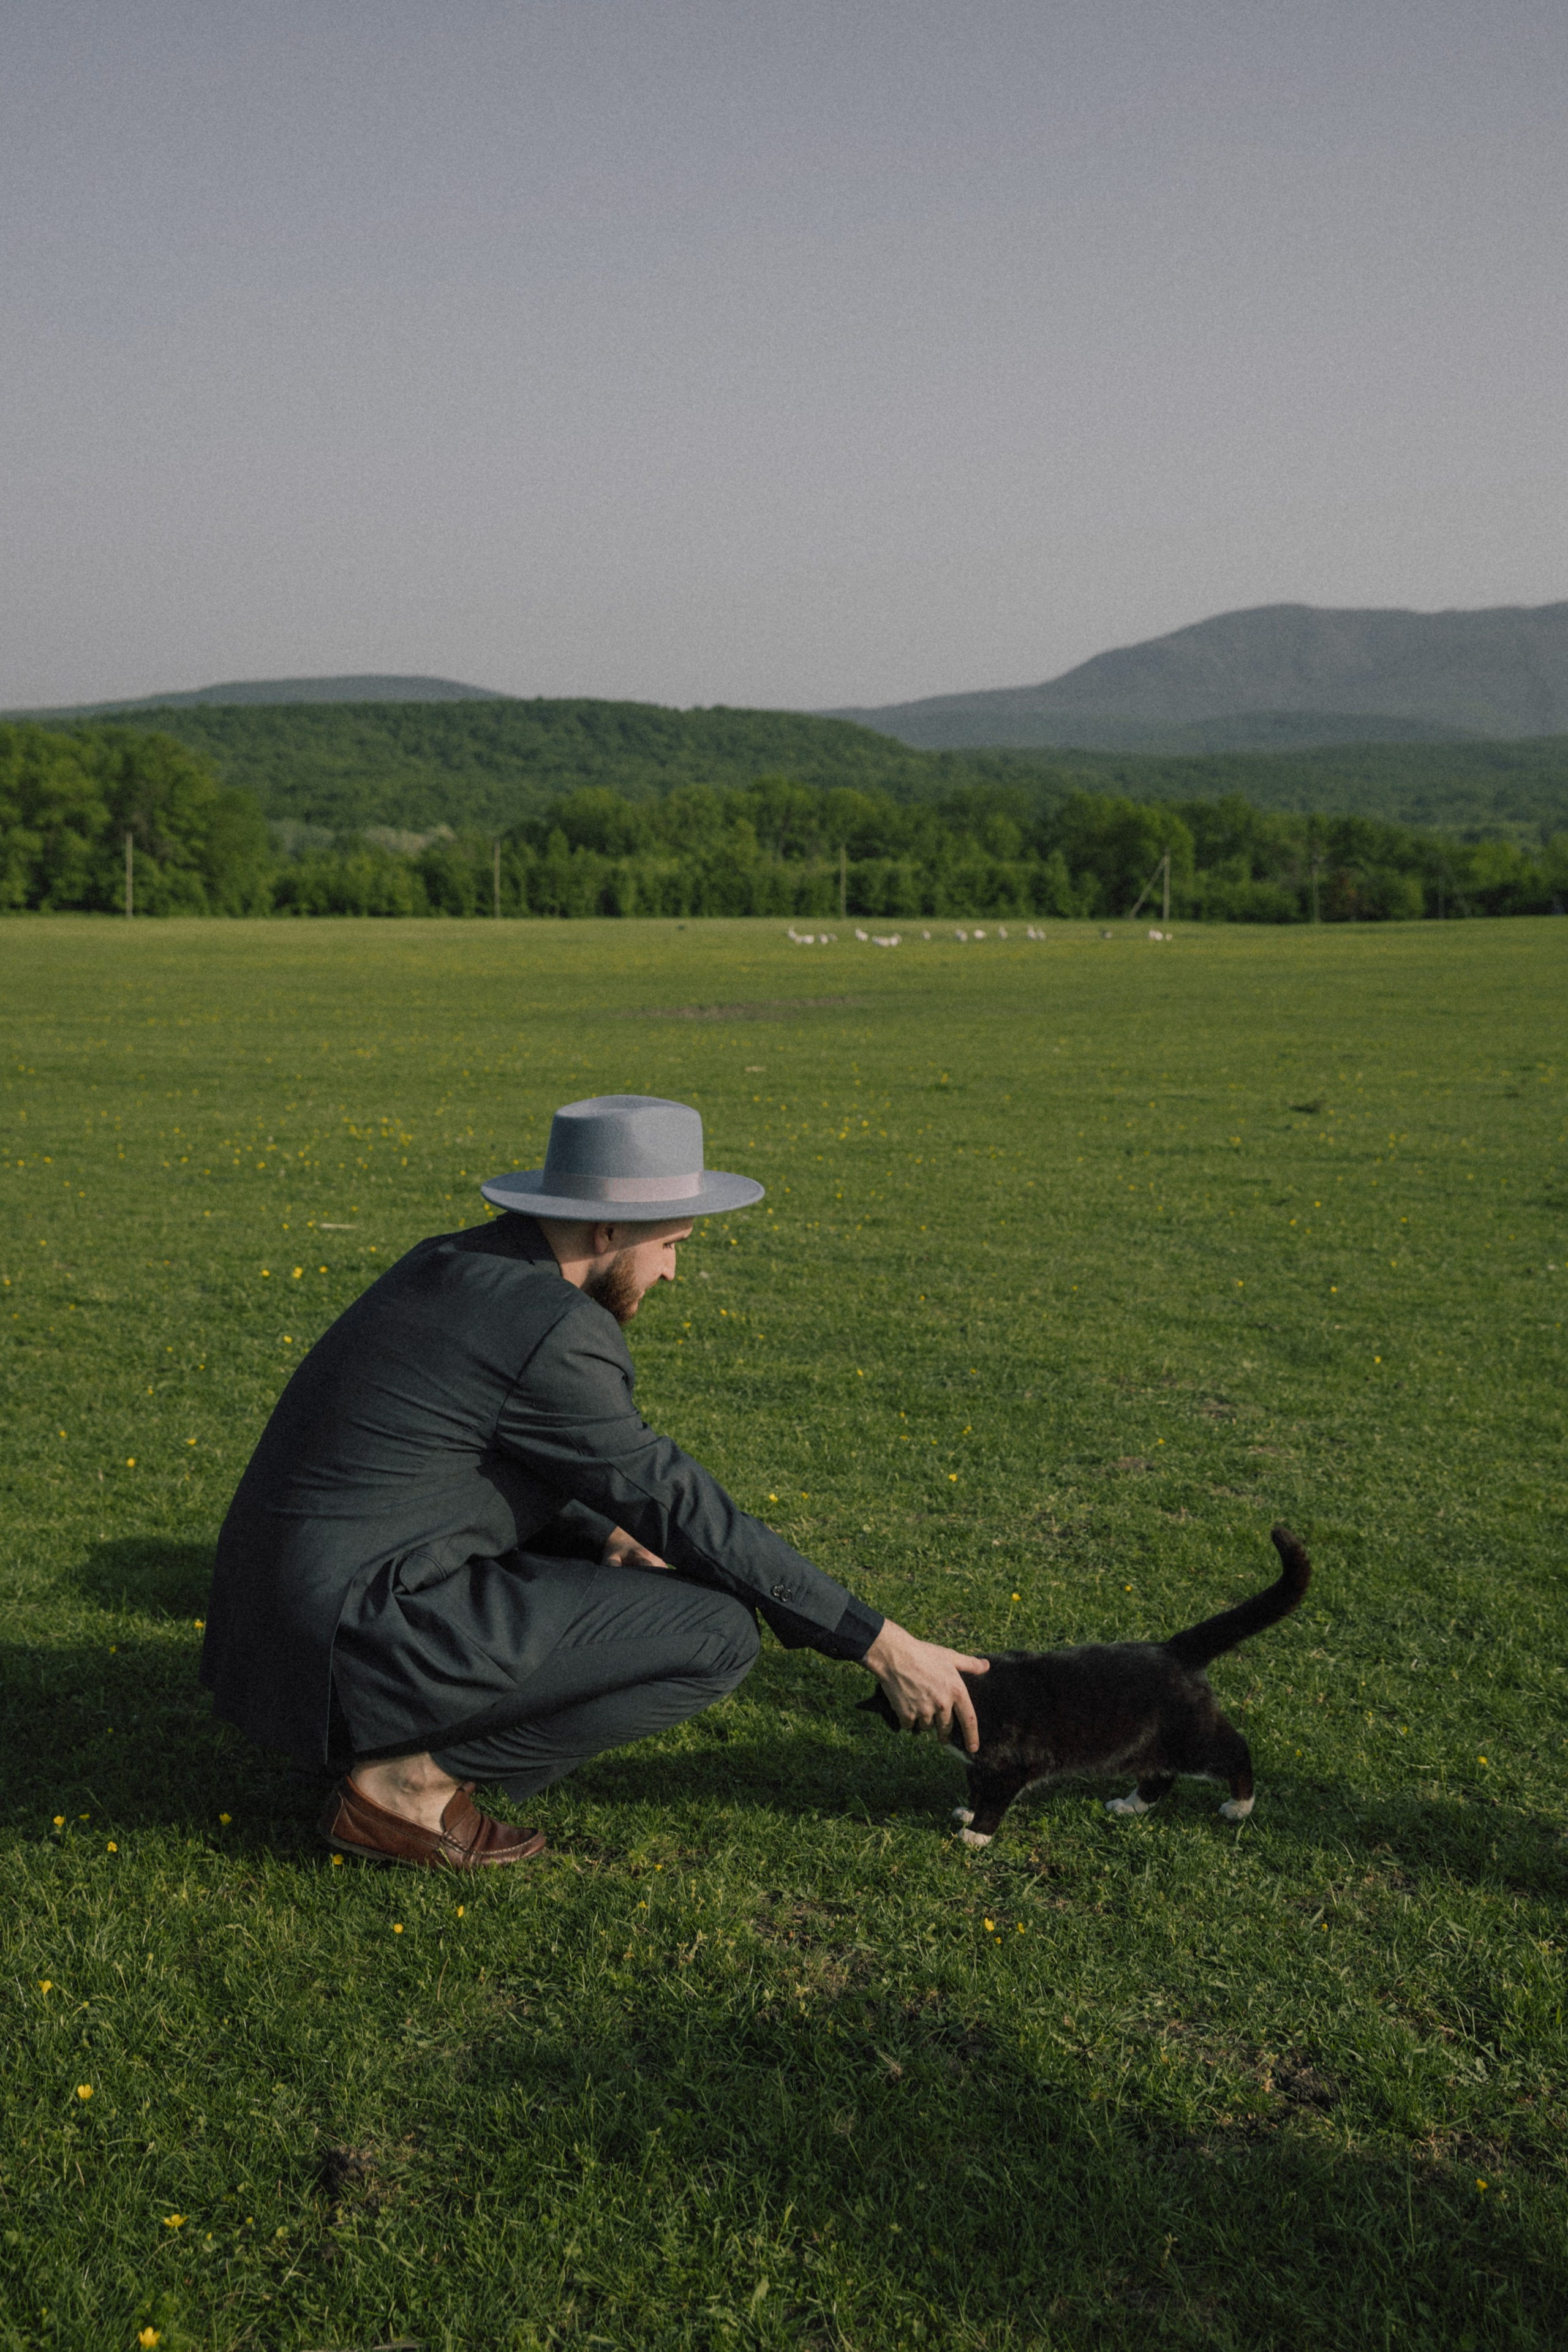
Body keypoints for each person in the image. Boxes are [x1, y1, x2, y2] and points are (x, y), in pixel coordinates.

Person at [201, 1093, 986, 1870]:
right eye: (671, 1243)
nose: (675, 1271)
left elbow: (471, 1459)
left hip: (268, 1637)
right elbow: (683, 1506)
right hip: (347, 1633)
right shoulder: (554, 1327)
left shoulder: (453, 1263)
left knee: (638, 1560)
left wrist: (608, 1533)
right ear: (607, 1230)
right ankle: (407, 1783)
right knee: (714, 1634)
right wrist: (880, 1646)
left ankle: (381, 1740)